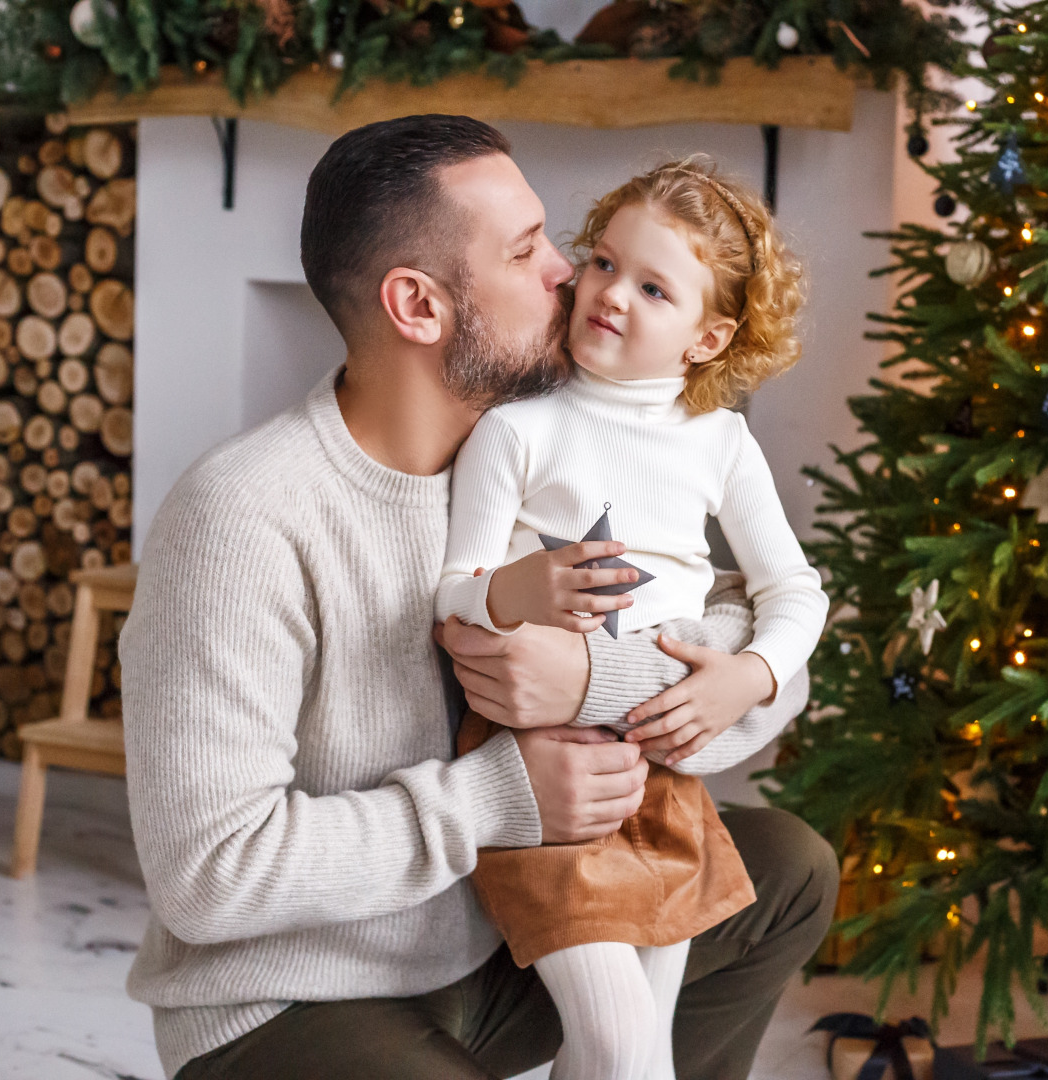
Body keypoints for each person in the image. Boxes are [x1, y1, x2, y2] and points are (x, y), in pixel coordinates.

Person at [119, 113, 837, 1080]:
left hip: (492, 946)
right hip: (295, 1000)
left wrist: (598, 678)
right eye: (527, 249)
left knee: (786, 870)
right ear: (418, 306)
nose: (570, 273)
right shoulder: (242, 519)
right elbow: (208, 877)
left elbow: (764, 646)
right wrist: (501, 797)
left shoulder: (545, 452)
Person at [436, 158, 828, 1080]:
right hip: (542, 775)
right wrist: (514, 592)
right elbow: (455, 586)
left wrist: (749, 676)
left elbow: (795, 592)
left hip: (663, 780)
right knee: (618, 1043)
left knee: (635, 1051)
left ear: (708, 338)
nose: (611, 294)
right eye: (605, 263)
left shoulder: (720, 442)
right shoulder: (519, 429)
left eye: (655, 288)